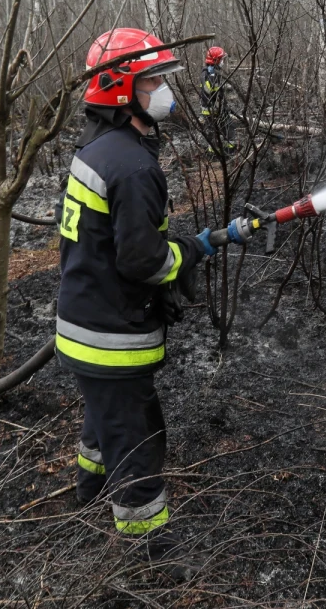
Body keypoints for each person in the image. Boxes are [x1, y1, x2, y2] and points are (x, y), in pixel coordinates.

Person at [55, 28, 228, 564]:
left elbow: (116, 245)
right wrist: (187, 256)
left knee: (102, 418)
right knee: (136, 438)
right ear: (121, 90)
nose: (163, 91)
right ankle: (148, 554)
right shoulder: (133, 166)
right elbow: (143, 261)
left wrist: (187, 246)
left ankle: (85, 490)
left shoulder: (101, 149)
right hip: (111, 335)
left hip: (85, 322)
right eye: (152, 80)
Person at [199, 45, 235, 151]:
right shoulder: (212, 74)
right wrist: (220, 104)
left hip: (211, 108)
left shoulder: (208, 71)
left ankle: (214, 151)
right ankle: (229, 149)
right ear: (216, 60)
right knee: (226, 127)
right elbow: (211, 91)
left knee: (213, 131)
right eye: (222, 59)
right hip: (214, 108)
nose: (223, 61)